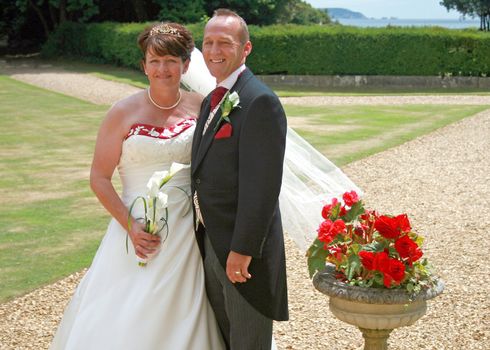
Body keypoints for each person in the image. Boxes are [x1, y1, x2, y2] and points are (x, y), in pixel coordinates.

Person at [50, 22, 225, 350]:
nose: (163, 69)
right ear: (143, 66)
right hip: (134, 229)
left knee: (184, 307)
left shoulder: (201, 106)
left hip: (186, 233)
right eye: (155, 61)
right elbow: (99, 178)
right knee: (126, 308)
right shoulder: (121, 113)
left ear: (186, 65)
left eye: (172, 60)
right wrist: (131, 226)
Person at [191, 9, 289, 349]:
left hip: (242, 255)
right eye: (208, 43)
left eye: (224, 43)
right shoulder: (212, 99)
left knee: (249, 343)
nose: (214, 50)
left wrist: (243, 250)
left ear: (245, 49)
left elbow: (262, 187)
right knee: (226, 339)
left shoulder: (260, 101)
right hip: (211, 243)